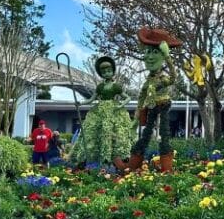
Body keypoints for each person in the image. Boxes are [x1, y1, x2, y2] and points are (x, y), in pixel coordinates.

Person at [114, 28, 182, 173]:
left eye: (155, 52)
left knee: (164, 134)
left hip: (163, 105)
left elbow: (173, 78)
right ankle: (133, 165)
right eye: (148, 52)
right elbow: (140, 100)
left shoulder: (162, 78)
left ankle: (166, 167)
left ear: (163, 56)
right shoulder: (147, 82)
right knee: (145, 134)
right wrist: (136, 118)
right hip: (150, 107)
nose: (150, 57)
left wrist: (168, 58)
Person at [71, 55, 134, 166]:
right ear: (101, 73)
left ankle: (118, 159)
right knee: (93, 130)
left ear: (112, 71)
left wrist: (121, 105)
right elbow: (91, 99)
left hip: (114, 110)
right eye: (104, 72)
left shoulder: (116, 87)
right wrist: (80, 103)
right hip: (100, 110)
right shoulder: (100, 87)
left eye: (109, 71)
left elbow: (128, 97)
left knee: (117, 132)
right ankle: (93, 158)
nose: (106, 73)